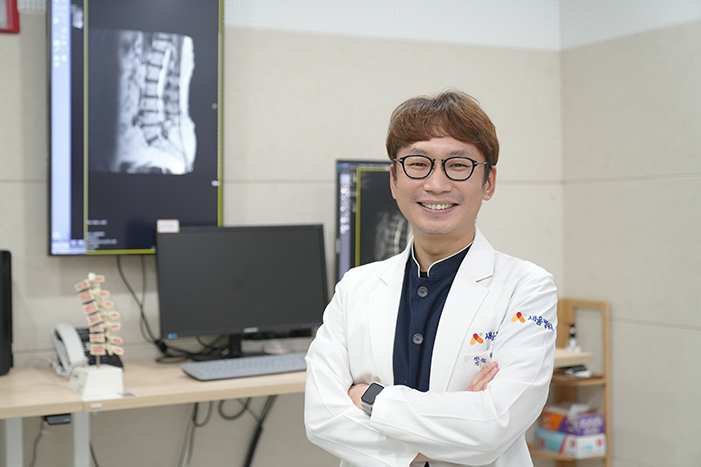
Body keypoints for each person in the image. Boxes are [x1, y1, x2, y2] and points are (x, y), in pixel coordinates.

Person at [304, 90, 558, 467]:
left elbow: (494, 426)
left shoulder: (527, 288)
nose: (436, 184)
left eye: (458, 165)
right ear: (393, 180)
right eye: (418, 164)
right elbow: (322, 419)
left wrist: (371, 398)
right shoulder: (355, 288)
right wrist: (456, 426)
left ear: (488, 182)